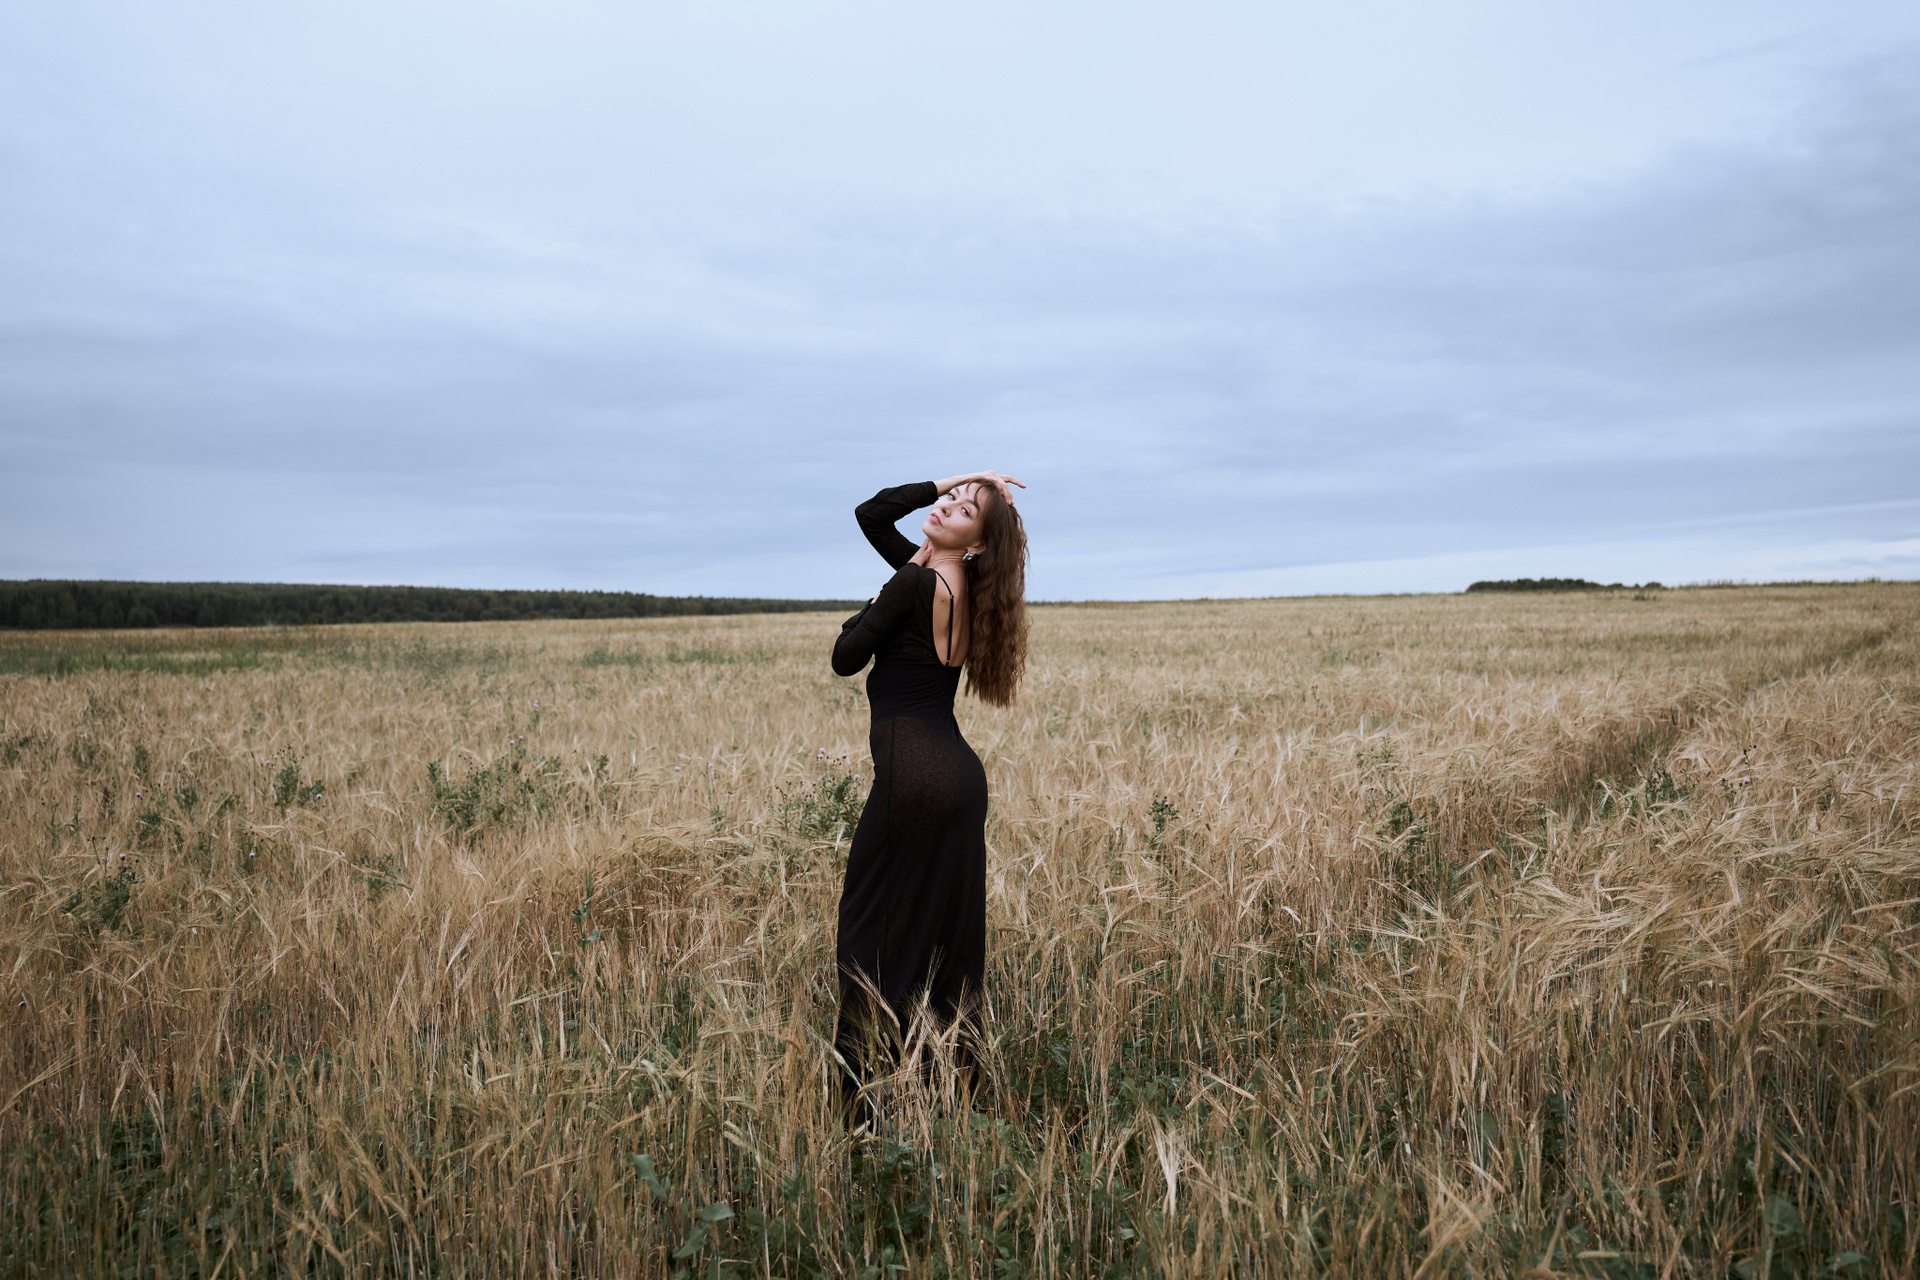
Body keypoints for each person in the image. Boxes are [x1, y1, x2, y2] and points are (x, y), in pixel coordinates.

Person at [829, 470, 1030, 1125]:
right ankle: (951, 1094)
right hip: (959, 781)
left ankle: (862, 1113)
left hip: (913, 781)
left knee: (870, 938)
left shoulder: (915, 584)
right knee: (946, 944)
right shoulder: (960, 586)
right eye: (949, 498)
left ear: (977, 543)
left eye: (964, 510)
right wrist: (968, 476)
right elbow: (872, 516)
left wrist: (871, 606)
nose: (946, 506)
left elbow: (845, 656)